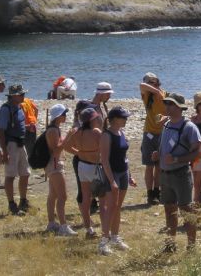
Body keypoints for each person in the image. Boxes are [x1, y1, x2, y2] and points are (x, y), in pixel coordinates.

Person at [152, 93, 201, 252]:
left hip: (181, 174)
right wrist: (158, 155)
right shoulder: (166, 124)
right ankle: (170, 244)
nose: (167, 107)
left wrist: (176, 159)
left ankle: (191, 246)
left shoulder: (189, 127)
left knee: (187, 211)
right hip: (165, 175)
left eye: (170, 104)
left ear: (180, 108)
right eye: (166, 103)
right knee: (169, 210)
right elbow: (165, 148)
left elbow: (197, 154)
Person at [98, 106, 136, 255]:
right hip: (112, 173)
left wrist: (130, 174)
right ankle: (103, 241)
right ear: (114, 119)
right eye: (123, 117)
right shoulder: (106, 135)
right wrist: (111, 180)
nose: (126, 119)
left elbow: (124, 157)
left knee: (118, 207)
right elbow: (105, 160)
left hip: (123, 172)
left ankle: (115, 237)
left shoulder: (121, 132)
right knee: (110, 207)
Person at [65, 107, 103, 239]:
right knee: (102, 198)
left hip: (82, 165)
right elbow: (104, 149)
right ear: (92, 120)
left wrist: (79, 152)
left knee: (86, 198)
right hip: (95, 167)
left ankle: (89, 229)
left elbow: (66, 146)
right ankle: (106, 230)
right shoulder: (96, 132)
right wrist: (93, 153)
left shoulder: (77, 132)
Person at [0, 84, 31, 215]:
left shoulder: (19, 106)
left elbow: (18, 124)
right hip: (11, 144)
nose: (24, 96)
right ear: (14, 96)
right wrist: (4, 152)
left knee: (25, 173)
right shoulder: (5, 109)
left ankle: (23, 201)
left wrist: (28, 127)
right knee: (10, 175)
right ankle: (12, 204)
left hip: (20, 143)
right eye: (21, 94)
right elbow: (1, 131)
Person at [45, 104, 77, 236]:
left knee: (53, 195)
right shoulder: (53, 131)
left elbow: (61, 147)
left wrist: (79, 152)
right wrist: (68, 136)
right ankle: (63, 226)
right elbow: (56, 150)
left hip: (53, 164)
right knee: (62, 196)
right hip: (55, 165)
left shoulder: (55, 129)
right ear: (58, 116)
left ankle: (52, 223)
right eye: (64, 114)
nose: (65, 116)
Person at [140, 72, 166, 205]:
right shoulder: (147, 95)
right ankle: (150, 193)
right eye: (150, 81)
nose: (153, 83)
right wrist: (155, 90)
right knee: (149, 165)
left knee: (160, 166)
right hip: (149, 133)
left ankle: (157, 191)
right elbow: (141, 85)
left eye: (155, 81)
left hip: (163, 133)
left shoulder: (164, 94)